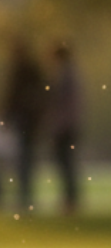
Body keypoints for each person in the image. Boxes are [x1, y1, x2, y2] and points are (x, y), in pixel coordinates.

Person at [2, 37, 45, 213]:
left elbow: (13, 94)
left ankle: (25, 197)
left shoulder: (22, 70)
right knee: (25, 160)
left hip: (25, 120)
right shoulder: (32, 70)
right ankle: (25, 196)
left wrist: (6, 114)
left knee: (23, 160)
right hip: (29, 120)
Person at [48, 41, 83, 214]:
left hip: (65, 127)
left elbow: (63, 104)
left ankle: (70, 201)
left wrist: (58, 126)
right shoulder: (68, 73)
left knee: (66, 163)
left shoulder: (66, 75)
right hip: (69, 125)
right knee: (66, 163)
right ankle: (70, 199)